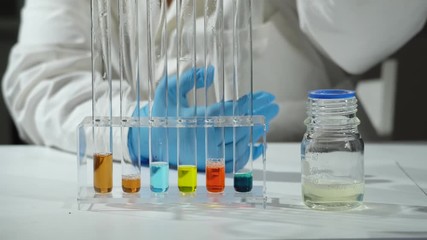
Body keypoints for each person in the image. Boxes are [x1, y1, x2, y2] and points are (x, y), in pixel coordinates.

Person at [2, 0, 427, 169]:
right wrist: (139, 130)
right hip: (142, 189)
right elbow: (41, 73)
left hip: (308, 178)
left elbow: (365, 28)